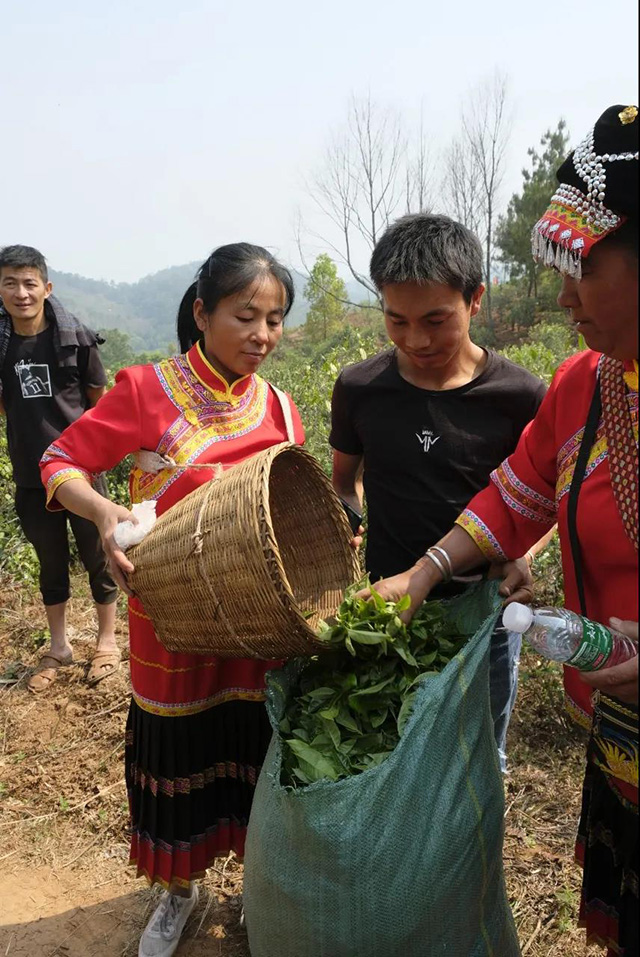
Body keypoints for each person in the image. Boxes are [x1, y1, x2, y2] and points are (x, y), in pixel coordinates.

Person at [369, 105, 638, 956]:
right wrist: (423, 571)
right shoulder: (586, 386)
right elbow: (513, 497)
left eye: (582, 270)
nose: (561, 296)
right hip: (622, 729)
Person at [39, 244, 305, 957]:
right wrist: (100, 513)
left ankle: (258, 884)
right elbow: (58, 461)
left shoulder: (280, 406)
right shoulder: (146, 390)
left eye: (275, 319)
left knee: (253, 749)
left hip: (254, 628)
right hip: (171, 623)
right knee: (177, 747)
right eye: (245, 315)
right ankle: (179, 891)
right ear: (201, 311)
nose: (262, 334)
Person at [330, 213, 551, 772]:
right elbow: (344, 481)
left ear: (475, 298)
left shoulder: (519, 396)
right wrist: (346, 519)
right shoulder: (359, 389)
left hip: (486, 614)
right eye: (396, 320)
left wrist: (522, 555)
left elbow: (544, 502)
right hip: (388, 605)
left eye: (435, 319)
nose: (416, 340)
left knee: (478, 756)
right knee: (392, 753)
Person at [0, 244, 119, 693]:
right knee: (49, 561)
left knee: (98, 555)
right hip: (32, 476)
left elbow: (97, 403)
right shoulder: (1, 344)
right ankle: (60, 646)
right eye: (10, 282)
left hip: (82, 472)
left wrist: (91, 455)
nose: (21, 292)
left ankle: (107, 642)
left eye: (30, 282)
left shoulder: (75, 338)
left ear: (46, 288)